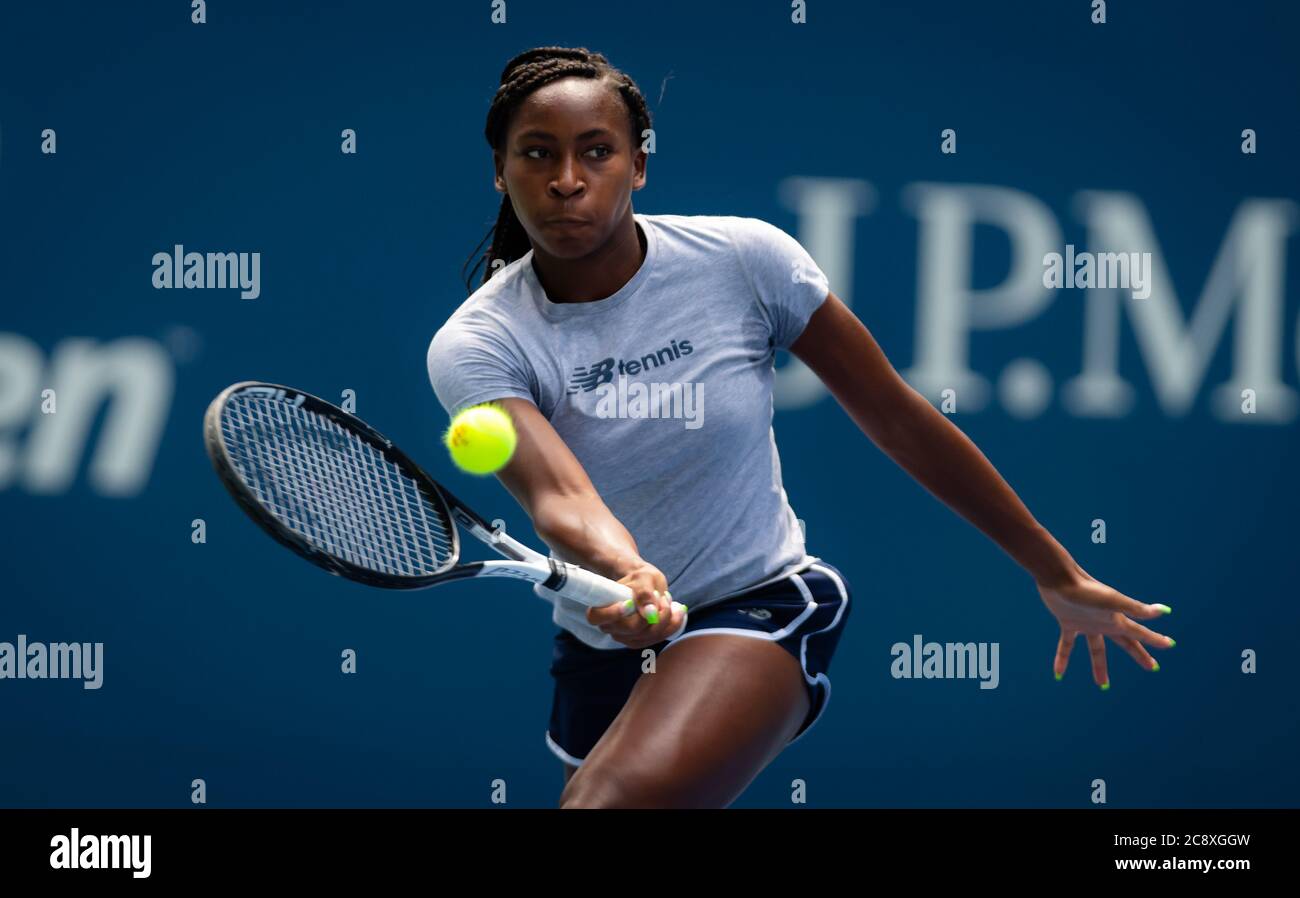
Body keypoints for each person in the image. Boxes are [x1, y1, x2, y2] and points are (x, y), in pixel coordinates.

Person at [427, 46, 1174, 809]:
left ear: (639, 166)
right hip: (600, 645)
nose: (567, 181)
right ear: (499, 169)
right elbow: (561, 496)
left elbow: (895, 416)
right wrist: (623, 567)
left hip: (760, 604)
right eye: (537, 155)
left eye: (597, 152)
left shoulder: (746, 261)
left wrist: (1053, 568)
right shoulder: (478, 344)